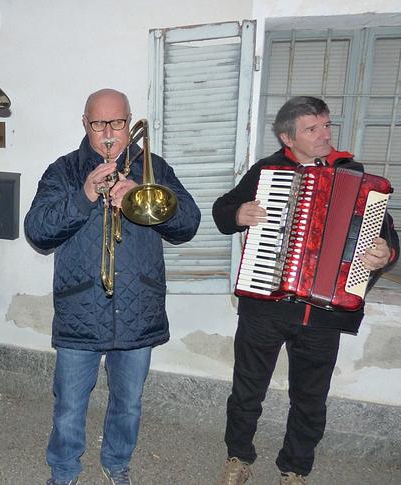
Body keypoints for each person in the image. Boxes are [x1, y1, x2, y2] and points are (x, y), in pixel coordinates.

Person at [212, 96, 399, 485]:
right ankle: (238, 457)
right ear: (288, 138)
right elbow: (223, 210)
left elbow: (386, 235)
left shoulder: (355, 176)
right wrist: (238, 214)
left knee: (310, 399)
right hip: (265, 305)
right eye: (312, 129)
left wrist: (386, 252)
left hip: (323, 314)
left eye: (326, 125)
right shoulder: (267, 171)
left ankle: (295, 468)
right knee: (247, 390)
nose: (325, 134)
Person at [24, 88, 201, 485]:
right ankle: (64, 470)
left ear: (129, 122)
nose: (108, 133)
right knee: (69, 405)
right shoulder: (64, 171)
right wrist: (85, 195)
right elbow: (37, 231)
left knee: (129, 402)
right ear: (85, 124)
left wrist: (141, 198)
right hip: (80, 308)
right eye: (98, 123)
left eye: (117, 123)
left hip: (138, 307)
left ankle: (117, 463)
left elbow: (188, 223)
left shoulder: (154, 168)